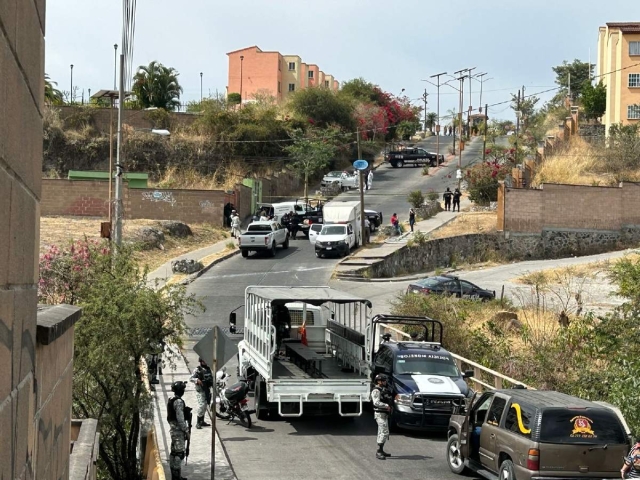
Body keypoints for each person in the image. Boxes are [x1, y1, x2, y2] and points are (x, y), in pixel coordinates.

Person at [167, 381, 191, 480]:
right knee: (179, 453)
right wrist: (186, 431)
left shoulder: (171, 399)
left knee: (174, 452)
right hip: (178, 430)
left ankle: (175, 476)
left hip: (173, 429)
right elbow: (180, 418)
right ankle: (176, 478)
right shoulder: (178, 402)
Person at [371, 373, 392, 460]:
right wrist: (386, 405)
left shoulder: (383, 389)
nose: (385, 382)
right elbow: (376, 402)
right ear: (379, 381)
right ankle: (379, 451)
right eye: (383, 380)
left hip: (384, 414)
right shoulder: (376, 390)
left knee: (383, 432)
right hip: (379, 414)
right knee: (384, 432)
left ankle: (381, 450)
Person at [190, 358, 213, 429]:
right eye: (203, 361)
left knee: (205, 405)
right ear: (201, 361)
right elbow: (191, 378)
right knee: (201, 405)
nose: (205, 362)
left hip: (207, 390)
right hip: (200, 390)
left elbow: (211, 378)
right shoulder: (197, 369)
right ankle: (198, 422)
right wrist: (197, 380)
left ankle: (202, 421)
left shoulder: (208, 369)